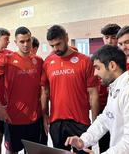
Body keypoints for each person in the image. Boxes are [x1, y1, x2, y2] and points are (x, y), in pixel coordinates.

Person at [65, 45, 129, 154]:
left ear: (112, 65)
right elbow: (106, 118)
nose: (95, 73)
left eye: (97, 68)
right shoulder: (116, 87)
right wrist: (83, 140)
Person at [40, 25, 99, 153]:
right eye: (52, 46)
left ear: (66, 38)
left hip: (80, 121)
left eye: (58, 44)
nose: (55, 48)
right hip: (56, 121)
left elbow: (93, 93)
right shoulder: (48, 62)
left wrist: (95, 122)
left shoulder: (85, 61)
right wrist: (44, 115)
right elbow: (45, 91)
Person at [0, 26, 43, 154]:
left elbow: (44, 88)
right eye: (22, 41)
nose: (26, 44)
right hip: (13, 118)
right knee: (11, 151)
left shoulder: (39, 61)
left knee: (32, 151)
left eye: (28, 40)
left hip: (34, 119)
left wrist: (45, 113)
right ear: (16, 43)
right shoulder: (7, 60)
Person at [98, 23, 121, 153]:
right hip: (103, 108)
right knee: (104, 146)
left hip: (121, 108)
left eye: (113, 37)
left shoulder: (124, 58)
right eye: (107, 37)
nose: (110, 41)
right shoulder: (98, 58)